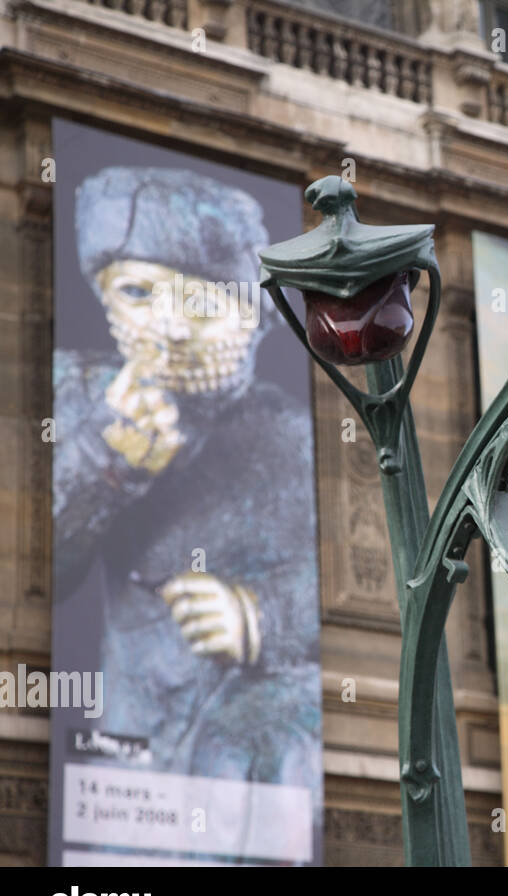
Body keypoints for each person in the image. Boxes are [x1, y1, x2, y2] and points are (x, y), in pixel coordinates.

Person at [54, 167, 321, 859]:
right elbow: (36, 569)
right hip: (130, 753)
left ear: (254, 320)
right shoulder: (81, 397)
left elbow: (357, 597)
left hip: (249, 746)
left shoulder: (289, 436)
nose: (168, 328)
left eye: (201, 303)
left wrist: (258, 618)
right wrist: (102, 465)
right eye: (138, 294)